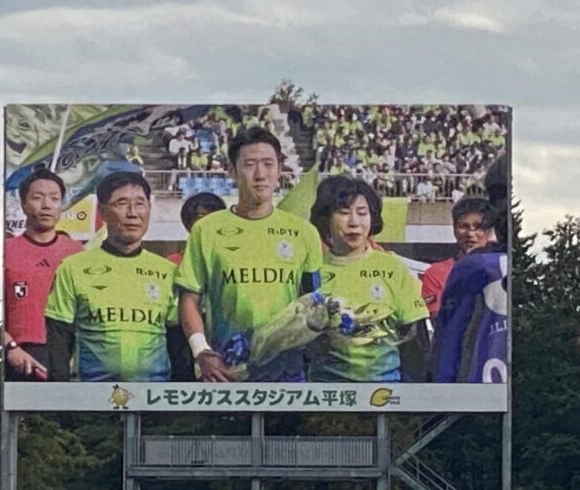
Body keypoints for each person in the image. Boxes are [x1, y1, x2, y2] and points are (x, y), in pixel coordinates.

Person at [175, 127, 323, 382]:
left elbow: (313, 301)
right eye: (250, 165)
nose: (260, 174)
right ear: (232, 170)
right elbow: (189, 298)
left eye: (268, 164)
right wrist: (202, 351)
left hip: (286, 371)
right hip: (227, 369)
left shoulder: (303, 232)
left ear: (279, 170)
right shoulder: (207, 230)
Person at [45, 172, 178, 382]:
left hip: (154, 400)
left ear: (149, 210)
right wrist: (61, 401)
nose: (132, 213)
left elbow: (177, 341)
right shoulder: (73, 268)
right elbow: (59, 339)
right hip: (93, 398)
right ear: (102, 212)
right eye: (121, 203)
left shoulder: (168, 271)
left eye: (140, 203)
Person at [307, 176, 428, 382]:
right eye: (344, 213)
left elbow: (416, 340)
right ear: (326, 218)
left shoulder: (393, 268)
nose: (354, 222)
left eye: (362, 213)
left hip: (384, 398)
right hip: (326, 399)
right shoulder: (311, 271)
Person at [4, 169, 82, 381]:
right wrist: (10, 347)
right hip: (20, 355)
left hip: (66, 355)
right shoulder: (5, 251)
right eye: (37, 198)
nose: (46, 205)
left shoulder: (76, 253)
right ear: (23, 204)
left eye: (54, 198)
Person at [421, 197, 495, 322]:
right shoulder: (436, 273)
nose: (470, 234)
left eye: (478, 227)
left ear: (489, 232)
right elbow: (440, 322)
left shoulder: (500, 269)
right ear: (454, 229)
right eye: (464, 226)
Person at [167, 192, 227, 265]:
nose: (209, 222)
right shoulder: (173, 262)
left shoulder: (232, 260)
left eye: (215, 217)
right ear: (188, 224)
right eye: (201, 216)